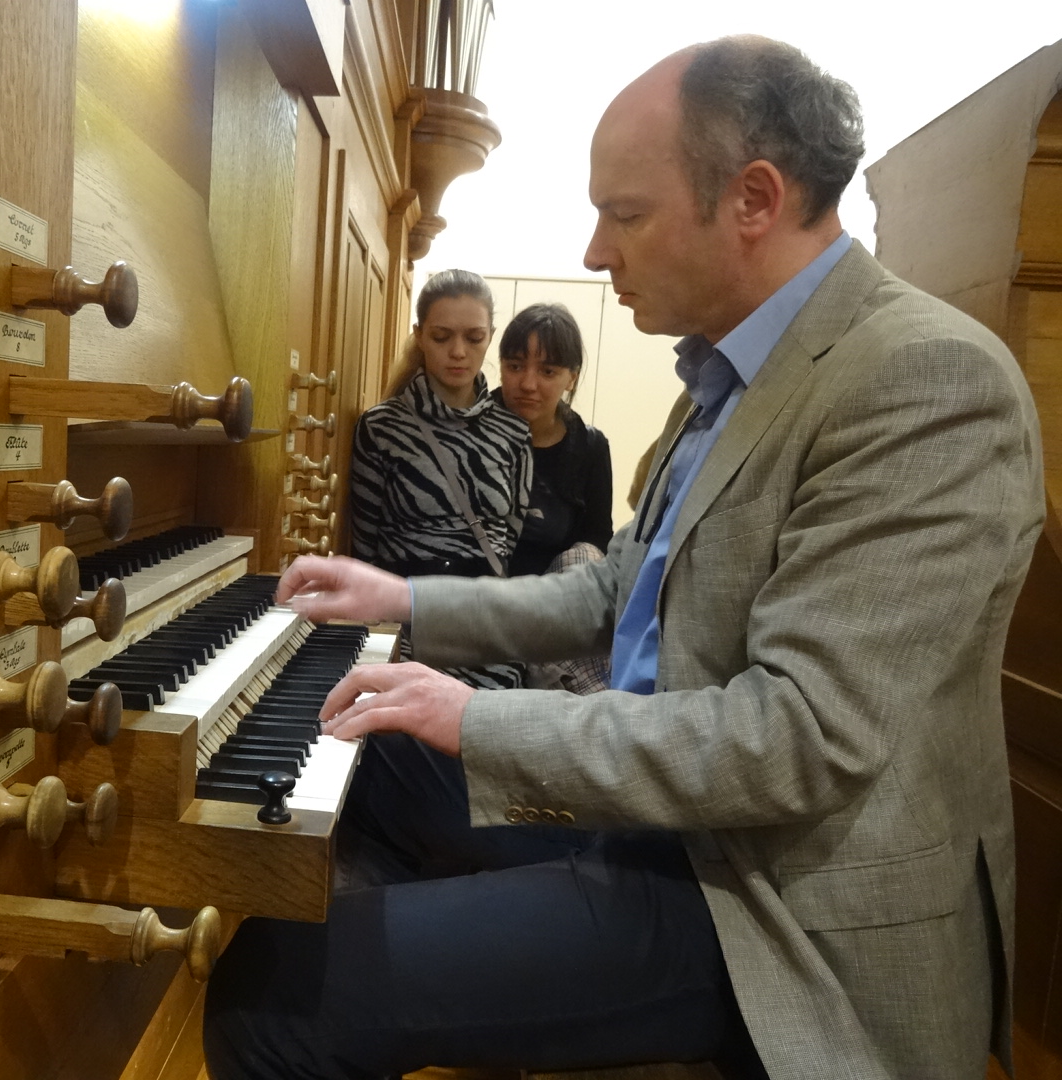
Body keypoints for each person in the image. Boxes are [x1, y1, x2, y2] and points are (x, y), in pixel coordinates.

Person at [205, 34, 1045, 1080]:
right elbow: (614, 592)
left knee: (272, 992)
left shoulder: (922, 378)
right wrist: (401, 596)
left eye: (625, 214)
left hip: (771, 905)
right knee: (364, 762)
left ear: (753, 199)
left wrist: (478, 717)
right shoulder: (727, 374)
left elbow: (799, 737)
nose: (596, 251)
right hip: (664, 822)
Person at [348, 268, 532, 690]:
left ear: (491, 336)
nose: (458, 352)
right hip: (408, 622)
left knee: (487, 725)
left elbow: (509, 538)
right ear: (419, 335)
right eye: (441, 336)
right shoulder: (381, 427)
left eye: (474, 337)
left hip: (485, 625)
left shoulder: (514, 433)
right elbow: (365, 546)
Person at [495, 302, 613, 576]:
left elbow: (597, 540)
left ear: (571, 378)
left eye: (547, 372)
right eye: (515, 366)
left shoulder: (590, 447)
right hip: (472, 591)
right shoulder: (471, 431)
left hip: (554, 595)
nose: (528, 384)